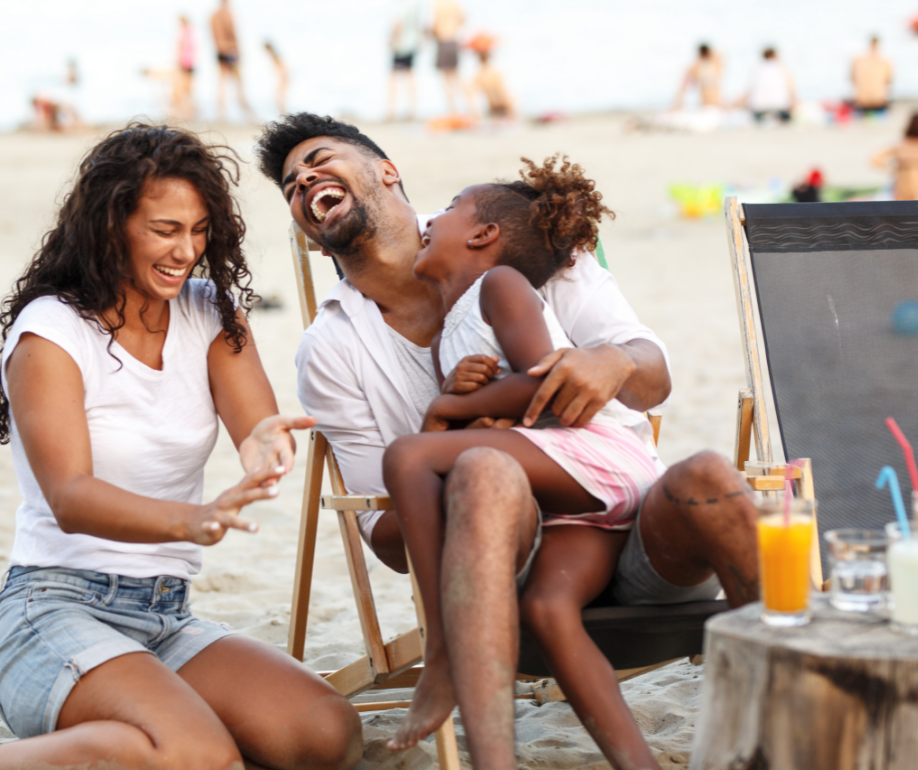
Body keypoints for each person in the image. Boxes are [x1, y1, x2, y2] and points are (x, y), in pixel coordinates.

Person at [255, 113, 759, 770]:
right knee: (485, 471)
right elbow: (382, 539)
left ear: (386, 171)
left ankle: (803, 698)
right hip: (516, 572)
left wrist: (615, 360)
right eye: (291, 185)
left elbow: (643, 379)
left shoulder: (515, 252)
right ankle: (455, 665)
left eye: (319, 159)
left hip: (640, 533)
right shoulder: (332, 350)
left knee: (710, 475)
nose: (304, 181)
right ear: (313, 238)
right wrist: (459, 447)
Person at [0, 124, 361, 770]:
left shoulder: (211, 313)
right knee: (200, 756)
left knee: (324, 735)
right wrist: (190, 520)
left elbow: (255, 426)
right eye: (165, 229)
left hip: (164, 617)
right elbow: (70, 497)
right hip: (51, 614)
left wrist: (262, 447)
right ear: (112, 224)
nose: (186, 250)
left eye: (199, 230)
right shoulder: (52, 333)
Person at [383, 156, 669, 768]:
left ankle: (441, 656)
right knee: (550, 613)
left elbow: (549, 389)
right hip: (579, 506)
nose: (428, 220)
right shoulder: (450, 334)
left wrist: (453, 410)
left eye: (449, 207)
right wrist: (456, 408)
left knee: (408, 456)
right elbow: (490, 416)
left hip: (599, 453)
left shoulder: (500, 286)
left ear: (484, 236)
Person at [210, 0, 254, 122]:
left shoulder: (213, 15)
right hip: (229, 51)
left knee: (222, 83)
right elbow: (233, 34)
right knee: (238, 83)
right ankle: (245, 111)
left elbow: (214, 36)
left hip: (220, 50)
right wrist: (236, 51)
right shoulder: (227, 14)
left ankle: (221, 112)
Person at [432, 0, 470, 116]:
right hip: (454, 40)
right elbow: (463, 19)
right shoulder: (454, 3)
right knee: (456, 77)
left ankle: (452, 108)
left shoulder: (437, 3)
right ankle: (468, 106)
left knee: (446, 78)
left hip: (443, 41)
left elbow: (435, 23)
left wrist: (435, 34)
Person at [388, 0, 423, 122]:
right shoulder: (415, 5)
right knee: (410, 77)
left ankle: (392, 110)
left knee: (393, 79)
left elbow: (398, 24)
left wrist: (392, 39)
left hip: (400, 46)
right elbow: (419, 25)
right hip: (411, 44)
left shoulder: (402, 7)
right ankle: (412, 109)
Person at [741, 47, 795, 123]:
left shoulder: (756, 68)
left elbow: (750, 90)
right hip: (779, 106)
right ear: (775, 55)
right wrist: (793, 102)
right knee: (787, 118)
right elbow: (790, 87)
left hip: (759, 107)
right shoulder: (782, 67)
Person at [871, 112, 918, 200]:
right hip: (903, 188)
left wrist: (894, 169)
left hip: (902, 187)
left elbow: (876, 159)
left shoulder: (902, 146)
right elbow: (876, 160)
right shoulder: (902, 146)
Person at [673, 43, 724, 109]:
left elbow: (682, 88)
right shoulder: (698, 67)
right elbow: (683, 87)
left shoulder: (713, 64)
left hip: (715, 106)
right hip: (708, 106)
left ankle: (677, 107)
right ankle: (677, 107)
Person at [471, 47, 515, 121]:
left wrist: (476, 113)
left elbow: (473, 95)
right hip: (504, 103)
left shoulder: (479, 75)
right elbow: (504, 91)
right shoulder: (496, 72)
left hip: (493, 106)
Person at [851, 36, 892, 113]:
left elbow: (852, 79)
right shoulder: (885, 61)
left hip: (860, 103)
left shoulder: (857, 60)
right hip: (879, 103)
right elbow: (888, 82)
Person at [174, 16, 198, 123]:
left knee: (182, 90)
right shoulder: (192, 32)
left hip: (184, 64)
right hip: (191, 63)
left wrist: (179, 62)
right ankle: (189, 111)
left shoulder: (185, 32)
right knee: (188, 90)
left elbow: (181, 49)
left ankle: (187, 111)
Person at [264, 41, 289, 116]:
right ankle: (282, 116)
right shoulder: (274, 57)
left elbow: (282, 70)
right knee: (278, 100)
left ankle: (283, 116)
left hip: (282, 81)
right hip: (281, 80)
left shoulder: (275, 57)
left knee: (279, 100)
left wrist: (282, 81)